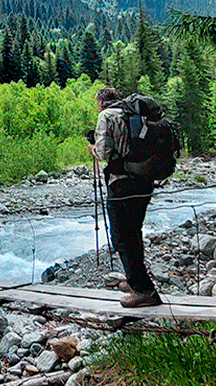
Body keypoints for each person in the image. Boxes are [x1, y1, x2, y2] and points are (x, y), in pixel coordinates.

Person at [88, 86, 163, 308]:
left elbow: (103, 153)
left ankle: (144, 291)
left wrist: (92, 148)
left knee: (121, 237)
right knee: (134, 232)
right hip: (144, 180)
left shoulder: (106, 116)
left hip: (121, 183)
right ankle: (137, 282)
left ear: (101, 102)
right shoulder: (134, 114)